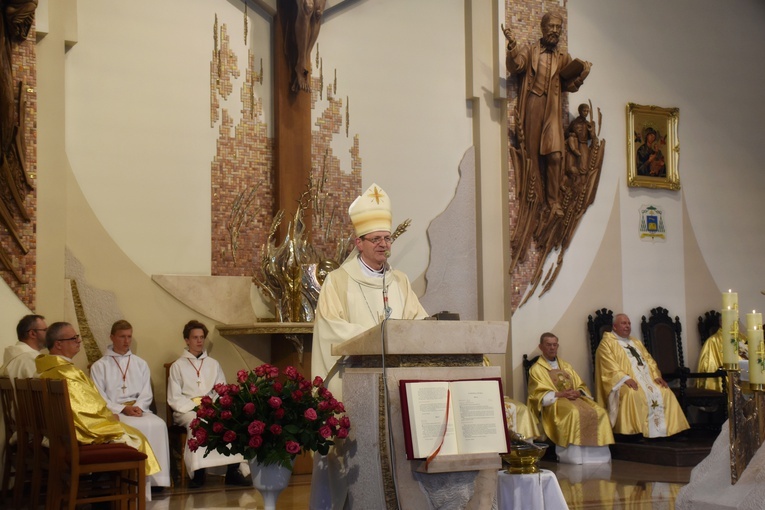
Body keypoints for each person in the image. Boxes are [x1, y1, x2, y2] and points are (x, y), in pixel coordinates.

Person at [310, 182, 429, 509]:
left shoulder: (400, 281)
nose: (384, 245)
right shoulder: (338, 281)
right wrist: (381, 334)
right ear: (358, 243)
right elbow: (330, 331)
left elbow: (420, 324)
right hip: (354, 385)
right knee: (354, 470)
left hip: (396, 387)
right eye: (376, 239)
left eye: (387, 238)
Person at [35, 322, 160, 476]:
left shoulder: (47, 370)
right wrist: (108, 418)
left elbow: (83, 405)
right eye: (73, 338)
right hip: (77, 435)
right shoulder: (67, 373)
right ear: (59, 344)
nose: (78, 341)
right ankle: (132, 489)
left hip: (60, 434)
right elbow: (82, 409)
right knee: (137, 438)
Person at [503, 12, 591, 217]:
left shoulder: (563, 57)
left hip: (552, 109)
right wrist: (512, 47)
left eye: (558, 27)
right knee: (531, 153)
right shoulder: (531, 51)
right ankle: (534, 199)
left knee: (556, 155)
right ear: (543, 28)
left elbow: (568, 85)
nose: (554, 30)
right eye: (551, 26)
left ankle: (553, 202)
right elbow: (516, 66)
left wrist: (582, 76)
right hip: (533, 104)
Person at [166, 319, 249, 488]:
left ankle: (233, 471)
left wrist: (213, 406)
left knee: (231, 420)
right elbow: (174, 397)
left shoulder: (213, 364)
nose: (199, 341)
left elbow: (221, 389)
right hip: (186, 410)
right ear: (187, 340)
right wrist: (197, 408)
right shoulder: (178, 366)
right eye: (195, 337)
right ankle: (197, 473)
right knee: (197, 423)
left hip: (211, 407)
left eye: (202, 337)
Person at [90, 320, 171, 489]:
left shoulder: (140, 363)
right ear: (112, 337)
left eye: (129, 336)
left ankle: (158, 480)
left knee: (159, 424)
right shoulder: (100, 366)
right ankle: (133, 480)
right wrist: (122, 409)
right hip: (116, 413)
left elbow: (146, 392)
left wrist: (139, 407)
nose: (126, 341)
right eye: (122, 337)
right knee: (133, 428)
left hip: (138, 409)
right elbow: (100, 397)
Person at [595, 314, 690, 438]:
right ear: (614, 326)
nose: (627, 326)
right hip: (622, 382)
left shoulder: (635, 342)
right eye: (623, 323)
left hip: (647, 380)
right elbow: (608, 366)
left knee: (665, 391)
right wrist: (625, 378)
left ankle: (671, 430)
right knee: (632, 394)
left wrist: (656, 375)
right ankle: (633, 432)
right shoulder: (606, 343)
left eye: (629, 323)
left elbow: (649, 359)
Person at [527, 333, 613, 463]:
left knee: (600, 412)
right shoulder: (536, 369)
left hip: (574, 398)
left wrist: (579, 392)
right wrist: (560, 394)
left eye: (554, 345)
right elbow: (536, 394)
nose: (552, 348)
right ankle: (574, 457)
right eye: (548, 345)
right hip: (554, 403)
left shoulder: (566, 366)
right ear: (541, 347)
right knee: (573, 412)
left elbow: (580, 385)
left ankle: (598, 457)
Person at [1, 314, 46, 379]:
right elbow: (43, 388)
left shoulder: (11, 358)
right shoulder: (32, 359)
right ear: (32, 333)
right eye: (45, 330)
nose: (48, 334)